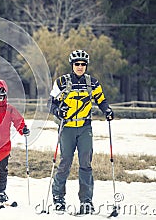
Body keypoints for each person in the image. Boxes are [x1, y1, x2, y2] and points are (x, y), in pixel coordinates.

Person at [48, 49, 114, 214]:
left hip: (85, 127)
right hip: (67, 128)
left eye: (83, 64)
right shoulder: (62, 82)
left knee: (86, 163)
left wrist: (107, 110)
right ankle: (58, 198)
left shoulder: (92, 83)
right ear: (72, 65)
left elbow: (101, 100)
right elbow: (51, 103)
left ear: (86, 66)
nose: (80, 66)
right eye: (77, 64)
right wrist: (58, 111)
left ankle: (86, 201)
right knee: (65, 162)